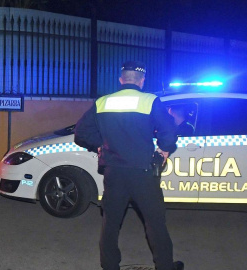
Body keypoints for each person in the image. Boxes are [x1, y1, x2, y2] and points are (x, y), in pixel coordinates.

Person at [74, 61, 184, 270]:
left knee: (111, 223)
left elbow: (81, 133)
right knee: (155, 223)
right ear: (142, 81)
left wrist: (99, 145)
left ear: (121, 80)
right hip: (143, 172)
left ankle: (109, 266)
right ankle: (165, 266)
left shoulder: (103, 102)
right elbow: (168, 131)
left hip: (113, 172)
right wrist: (164, 149)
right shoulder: (150, 101)